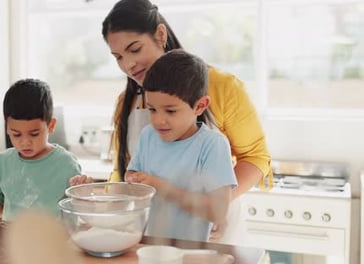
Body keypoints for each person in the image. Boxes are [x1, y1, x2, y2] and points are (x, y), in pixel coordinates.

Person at [74, 0, 273, 244]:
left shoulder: (223, 87)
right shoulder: (125, 103)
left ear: (160, 35)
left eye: (135, 49)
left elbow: (255, 158)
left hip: (213, 234)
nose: (128, 65)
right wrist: (97, 201)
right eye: (118, 57)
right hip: (155, 234)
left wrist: (212, 207)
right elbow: (124, 171)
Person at [124, 49, 237, 241]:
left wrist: (160, 186)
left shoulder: (212, 145)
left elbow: (218, 212)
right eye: (152, 109)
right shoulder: (148, 136)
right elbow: (132, 174)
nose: (159, 120)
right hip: (152, 248)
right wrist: (133, 179)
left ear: (199, 106)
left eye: (170, 111)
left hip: (193, 252)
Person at [0, 79, 82, 221]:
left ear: (51, 125)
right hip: (12, 240)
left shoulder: (66, 163)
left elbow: (79, 210)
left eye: (34, 134)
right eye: (16, 134)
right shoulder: (3, 162)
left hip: (54, 241)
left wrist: (83, 193)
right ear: (7, 127)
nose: (25, 142)